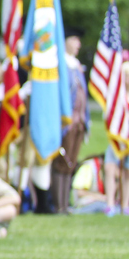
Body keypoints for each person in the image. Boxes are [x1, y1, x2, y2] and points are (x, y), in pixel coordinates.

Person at [51, 28, 89, 214]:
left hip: (79, 121)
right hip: (66, 121)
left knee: (71, 162)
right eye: (75, 39)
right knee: (62, 161)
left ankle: (65, 204)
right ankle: (58, 204)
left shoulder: (76, 66)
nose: (78, 44)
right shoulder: (61, 65)